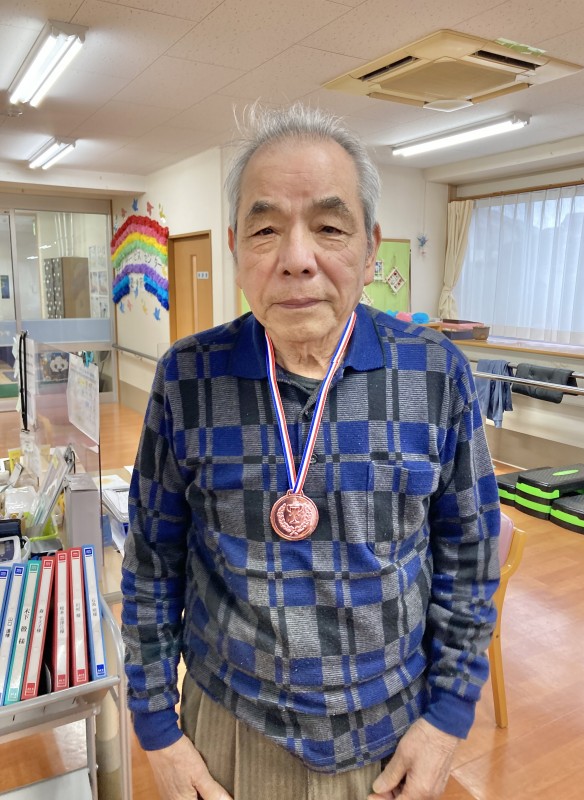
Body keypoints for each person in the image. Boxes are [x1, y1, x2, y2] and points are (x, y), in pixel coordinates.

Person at [121, 103, 500, 800]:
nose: (297, 259)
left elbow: (470, 559)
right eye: (266, 229)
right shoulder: (188, 378)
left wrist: (449, 717)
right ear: (235, 247)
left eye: (329, 227)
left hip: (390, 737)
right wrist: (156, 729)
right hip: (231, 732)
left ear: (370, 246)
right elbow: (150, 564)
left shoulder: (434, 373)